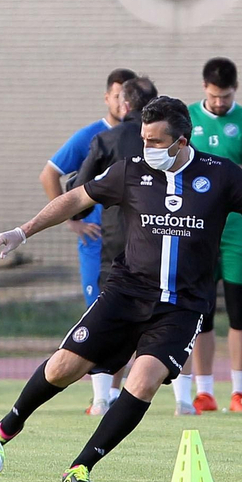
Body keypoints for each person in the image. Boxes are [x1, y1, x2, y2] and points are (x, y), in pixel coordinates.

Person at [0, 97, 242, 482]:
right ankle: (6, 428)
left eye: (155, 141)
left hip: (182, 306)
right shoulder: (130, 170)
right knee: (64, 367)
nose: (146, 147)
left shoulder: (221, 174)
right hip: (126, 293)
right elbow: (76, 198)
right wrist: (22, 232)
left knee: (144, 379)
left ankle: (81, 466)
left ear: (182, 141)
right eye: (144, 139)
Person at [39, 68, 138, 410]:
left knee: (129, 319)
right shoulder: (93, 136)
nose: (123, 103)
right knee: (101, 315)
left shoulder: (146, 135)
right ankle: (100, 397)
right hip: (98, 243)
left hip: (134, 242)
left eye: (128, 96)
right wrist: (72, 221)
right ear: (108, 98)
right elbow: (49, 173)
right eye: (117, 96)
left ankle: (113, 394)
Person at [181, 58, 242, 414]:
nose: (219, 103)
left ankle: (239, 392)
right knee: (201, 313)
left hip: (239, 228)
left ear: (236, 90)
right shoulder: (186, 118)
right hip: (197, 228)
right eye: (215, 96)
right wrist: (228, 174)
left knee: (239, 311)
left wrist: (210, 173)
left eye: (226, 96)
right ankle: (204, 392)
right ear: (205, 88)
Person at [71, 75, 158, 414]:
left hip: (117, 245)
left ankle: (101, 400)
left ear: (125, 104)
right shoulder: (173, 142)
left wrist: (76, 201)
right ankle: (184, 400)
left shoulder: (106, 140)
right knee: (169, 319)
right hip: (165, 242)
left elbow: (79, 198)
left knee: (107, 319)